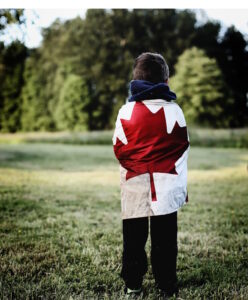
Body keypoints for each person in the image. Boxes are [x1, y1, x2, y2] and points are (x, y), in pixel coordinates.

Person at [112, 52, 190, 298]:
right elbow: (182, 146)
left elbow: (118, 147)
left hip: (134, 184)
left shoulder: (126, 111)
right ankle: (166, 285)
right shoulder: (175, 111)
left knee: (133, 239)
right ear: (166, 81)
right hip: (166, 186)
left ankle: (133, 283)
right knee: (166, 239)